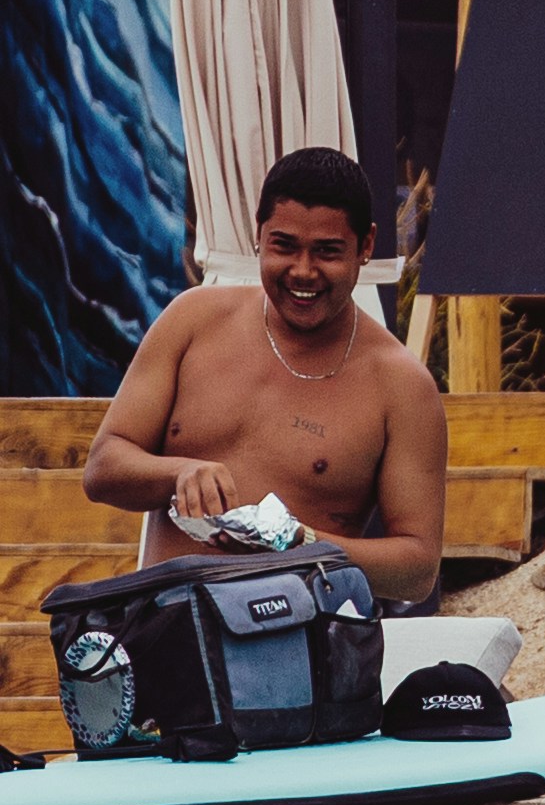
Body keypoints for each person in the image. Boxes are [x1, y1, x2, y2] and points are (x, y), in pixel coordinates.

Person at [81, 144, 448, 609]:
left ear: (366, 246)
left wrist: (300, 544)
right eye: (284, 246)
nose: (303, 271)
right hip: (164, 636)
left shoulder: (400, 385)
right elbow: (103, 468)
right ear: (260, 235)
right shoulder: (193, 320)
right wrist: (179, 472)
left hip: (298, 650)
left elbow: (416, 569)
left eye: (327, 252)